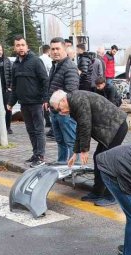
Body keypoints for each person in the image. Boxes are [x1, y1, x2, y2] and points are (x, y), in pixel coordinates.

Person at [49, 88, 127, 207]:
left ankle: (112, 195)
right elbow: (80, 129)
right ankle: (97, 192)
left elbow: (86, 125)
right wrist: (76, 152)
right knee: (98, 158)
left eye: (59, 109)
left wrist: (85, 150)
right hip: (109, 130)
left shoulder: (77, 100)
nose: (61, 112)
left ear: (63, 100)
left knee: (107, 162)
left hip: (116, 127)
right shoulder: (73, 103)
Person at [8, 35, 49, 167]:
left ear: (27, 46)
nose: (20, 47)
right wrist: (11, 102)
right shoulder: (15, 64)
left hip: (36, 102)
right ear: (14, 48)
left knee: (39, 130)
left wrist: (45, 99)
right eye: (18, 45)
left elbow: (45, 80)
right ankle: (35, 154)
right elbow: (14, 86)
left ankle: (41, 156)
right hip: (23, 103)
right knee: (30, 130)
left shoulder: (36, 61)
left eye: (22, 45)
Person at [45, 37, 79, 165]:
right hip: (55, 111)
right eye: (52, 49)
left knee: (71, 141)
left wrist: (60, 107)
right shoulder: (55, 65)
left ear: (64, 49)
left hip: (65, 112)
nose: (55, 51)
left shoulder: (69, 67)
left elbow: (71, 91)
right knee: (60, 141)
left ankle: (75, 167)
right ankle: (62, 165)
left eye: (57, 48)